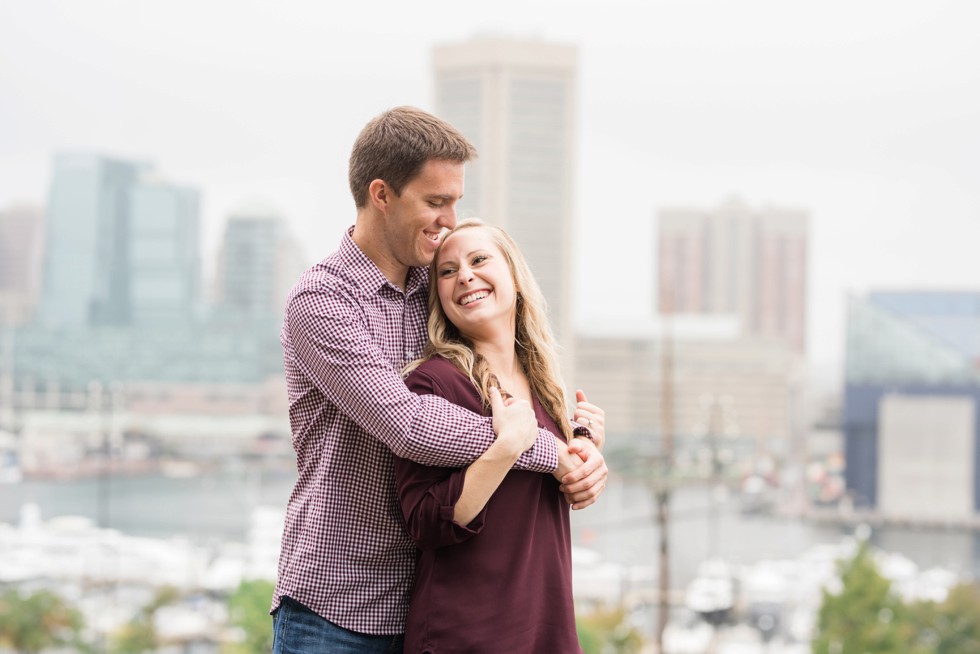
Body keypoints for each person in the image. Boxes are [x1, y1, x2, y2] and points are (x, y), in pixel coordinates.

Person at [271, 106, 608, 653]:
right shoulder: (323, 301)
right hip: (338, 609)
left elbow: (499, 371)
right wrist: (547, 449)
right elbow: (409, 425)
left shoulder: (439, 279)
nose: (450, 219)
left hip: (433, 600)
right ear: (382, 194)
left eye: (454, 201)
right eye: (435, 202)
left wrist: (581, 444)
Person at [395, 220, 603, 653]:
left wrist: (584, 456)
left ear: (515, 276)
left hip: (545, 628)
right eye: (447, 272)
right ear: (440, 299)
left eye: (479, 259)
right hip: (467, 636)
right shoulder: (435, 382)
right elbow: (426, 521)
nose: (465, 275)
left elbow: (540, 500)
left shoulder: (544, 384)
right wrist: (507, 447)